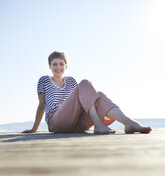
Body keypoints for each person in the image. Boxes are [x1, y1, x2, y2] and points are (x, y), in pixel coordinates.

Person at [22, 51, 151, 134]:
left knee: (98, 95)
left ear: (66, 66)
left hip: (76, 124)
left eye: (61, 64)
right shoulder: (44, 80)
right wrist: (34, 129)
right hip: (57, 122)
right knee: (85, 83)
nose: (58, 67)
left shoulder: (71, 81)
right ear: (49, 66)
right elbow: (41, 106)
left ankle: (129, 123)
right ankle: (98, 124)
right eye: (54, 64)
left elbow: (84, 100)